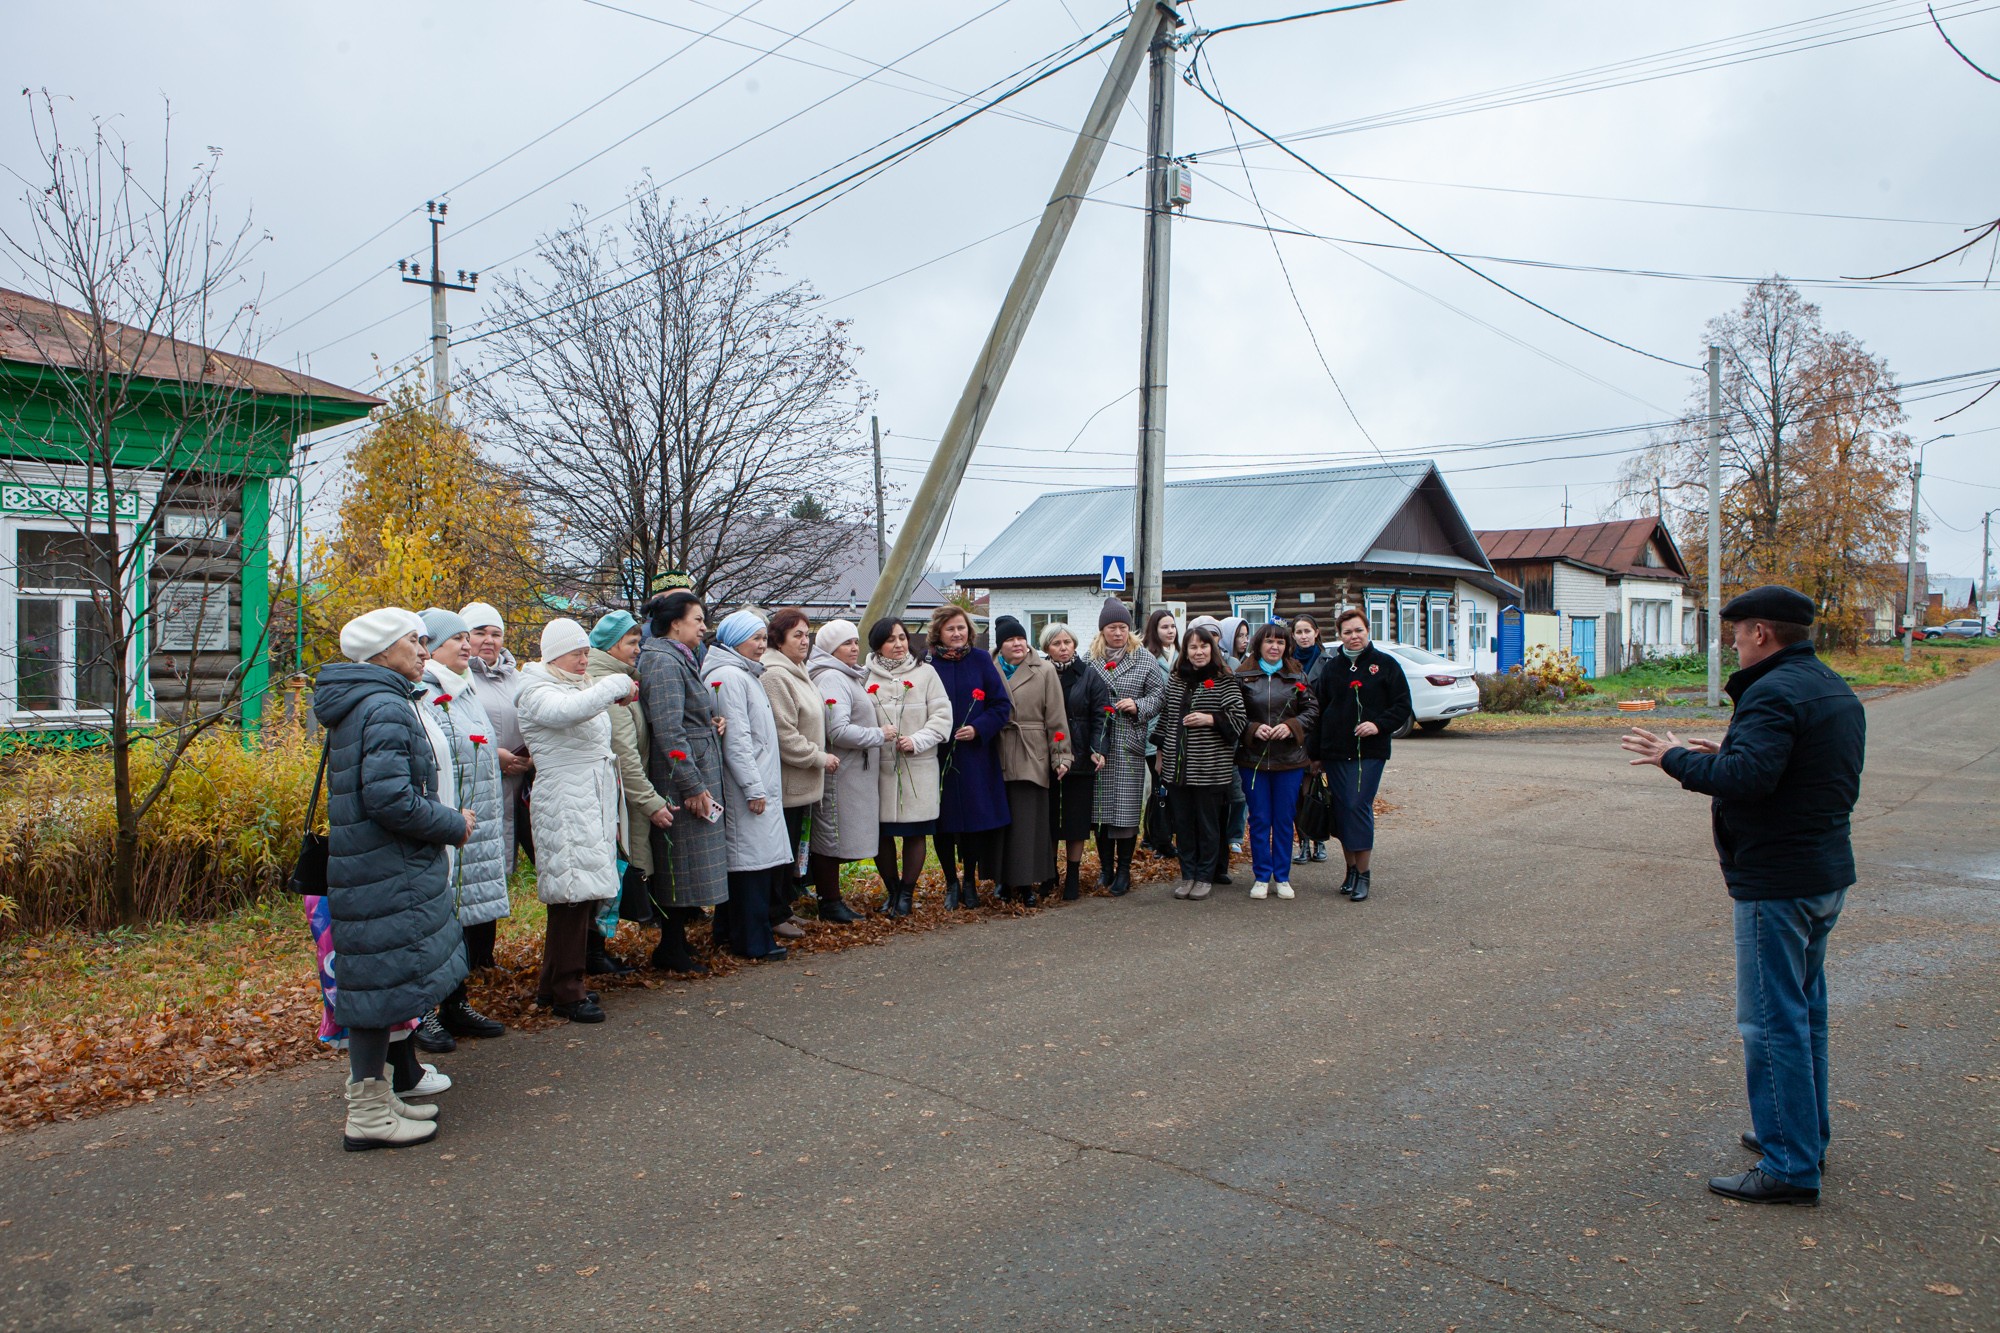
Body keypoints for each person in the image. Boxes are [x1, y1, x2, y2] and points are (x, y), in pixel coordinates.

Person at [1621, 586, 1864, 1207]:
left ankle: (1790, 1166)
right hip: (1822, 874)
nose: (1732, 644)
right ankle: (1802, 1136)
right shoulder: (1829, 686)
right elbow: (1794, 769)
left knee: (1772, 1022)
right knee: (1804, 1013)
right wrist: (1727, 749)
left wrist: (1674, 757)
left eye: (1735, 634)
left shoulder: (1772, 691)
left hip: (1779, 882)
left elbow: (1748, 780)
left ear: (1761, 632)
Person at [314, 608, 473, 1150]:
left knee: (378, 984)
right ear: (382, 651)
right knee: (377, 987)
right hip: (386, 868)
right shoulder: (383, 705)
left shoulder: (365, 700)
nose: (425, 650)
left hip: (372, 866)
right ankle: (367, 1115)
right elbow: (389, 799)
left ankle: (378, 1100)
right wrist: (453, 824)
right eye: (414, 641)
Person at [515, 617, 634, 1023]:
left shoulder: (578, 686)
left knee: (582, 893)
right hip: (564, 799)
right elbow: (568, 712)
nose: (584, 660)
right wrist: (616, 684)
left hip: (589, 797)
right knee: (570, 892)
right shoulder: (536, 690)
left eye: (586, 652)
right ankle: (568, 989)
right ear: (554, 656)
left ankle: (554, 984)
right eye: (576, 653)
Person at [416, 607, 509, 1045]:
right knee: (434, 920)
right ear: (433, 647)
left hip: (474, 823)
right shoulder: (424, 691)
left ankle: (455, 1002)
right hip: (444, 821)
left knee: (459, 918)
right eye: (457, 639)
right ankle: (422, 1012)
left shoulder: (464, 687)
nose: (467, 645)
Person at [637, 590, 728, 974]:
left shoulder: (679, 656)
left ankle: (678, 943)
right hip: (678, 779)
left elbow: (685, 717)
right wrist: (691, 786)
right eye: (698, 620)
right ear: (676, 624)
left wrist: (710, 721)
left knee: (690, 862)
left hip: (692, 769)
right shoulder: (662, 661)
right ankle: (670, 946)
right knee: (680, 861)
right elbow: (669, 729)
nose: (704, 627)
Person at [703, 609, 793, 961]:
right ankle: (753, 940)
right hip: (747, 788)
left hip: (757, 781)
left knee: (753, 863)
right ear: (735, 639)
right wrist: (754, 788)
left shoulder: (743, 673)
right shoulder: (730, 676)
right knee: (750, 866)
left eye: (763, 638)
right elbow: (737, 740)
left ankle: (730, 932)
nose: (761, 645)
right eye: (754, 638)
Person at [1306, 607, 1412, 904]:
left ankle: (1364, 873)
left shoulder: (1385, 665)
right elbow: (1319, 711)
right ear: (1339, 636)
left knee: (1357, 805)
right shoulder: (1332, 667)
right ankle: (1350, 870)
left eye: (1358, 630)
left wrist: (1378, 724)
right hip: (1335, 752)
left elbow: (1402, 705)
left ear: (1368, 631)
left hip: (1370, 751)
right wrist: (1315, 754)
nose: (1354, 636)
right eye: (1347, 632)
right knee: (1342, 809)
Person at [586, 610, 673, 961]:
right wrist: (651, 802)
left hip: (622, 799)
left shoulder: (621, 679)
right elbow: (624, 754)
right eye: (632, 643)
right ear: (611, 646)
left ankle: (597, 951)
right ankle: (593, 952)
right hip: (615, 802)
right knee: (610, 872)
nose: (639, 649)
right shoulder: (608, 686)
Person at [927, 605, 1013, 909]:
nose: (957, 634)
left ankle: (969, 882)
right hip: (938, 755)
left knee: (975, 820)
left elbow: (1001, 705)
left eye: (961, 628)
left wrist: (978, 728)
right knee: (943, 822)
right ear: (938, 632)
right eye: (950, 628)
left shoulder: (980, 660)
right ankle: (951, 882)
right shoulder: (927, 663)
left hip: (975, 755)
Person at [865, 617, 953, 917]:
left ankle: (906, 893)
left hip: (918, 767)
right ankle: (891, 890)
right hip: (878, 769)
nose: (899, 644)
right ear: (877, 644)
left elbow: (942, 717)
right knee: (882, 834)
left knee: (915, 833)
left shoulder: (926, 673)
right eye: (890, 639)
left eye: (902, 637)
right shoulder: (864, 675)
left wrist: (916, 741)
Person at [806, 618, 891, 924]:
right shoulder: (832, 677)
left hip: (853, 771)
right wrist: (879, 735)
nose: (855, 648)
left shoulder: (845, 674)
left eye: (856, 641)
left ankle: (830, 898)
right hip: (841, 773)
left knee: (838, 834)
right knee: (832, 835)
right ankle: (829, 902)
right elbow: (838, 730)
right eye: (846, 643)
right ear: (830, 648)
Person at [759, 606, 834, 940]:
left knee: (791, 850)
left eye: (807, 634)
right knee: (780, 852)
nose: (805, 641)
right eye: (797, 635)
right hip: (789, 781)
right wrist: (818, 757)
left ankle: (784, 907)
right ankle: (774, 913)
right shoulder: (775, 675)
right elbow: (784, 734)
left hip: (803, 782)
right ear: (778, 639)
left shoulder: (798, 669)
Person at [1155, 625, 1245, 901]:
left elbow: (1239, 719)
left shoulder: (1224, 679)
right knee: (1183, 824)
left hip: (1210, 767)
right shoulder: (1177, 679)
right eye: (1192, 647)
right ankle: (1188, 875)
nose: (1198, 652)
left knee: (1207, 825)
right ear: (1185, 651)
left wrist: (1211, 718)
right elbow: (1166, 717)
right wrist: (1160, 754)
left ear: (1212, 648)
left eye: (1203, 646)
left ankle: (1205, 876)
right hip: (1177, 767)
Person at [1234, 622, 1320, 900]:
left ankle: (1282, 876)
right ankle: (1261, 876)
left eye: (1280, 642)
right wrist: (1251, 728)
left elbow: (1312, 710)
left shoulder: (1296, 674)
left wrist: (1292, 726)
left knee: (1284, 819)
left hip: (1289, 760)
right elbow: (1232, 713)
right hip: (1253, 760)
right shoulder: (1243, 675)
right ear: (1259, 644)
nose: (1274, 647)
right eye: (1269, 641)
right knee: (1260, 819)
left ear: (1287, 646)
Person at [991, 615, 1071, 905]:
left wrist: (1061, 756)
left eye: (1021, 638)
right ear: (1000, 645)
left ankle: (1026, 883)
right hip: (996, 750)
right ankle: (1001, 880)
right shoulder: (990, 667)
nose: (1017, 644)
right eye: (1010, 639)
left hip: (1031, 752)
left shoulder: (1044, 669)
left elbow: (1056, 717)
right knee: (1000, 824)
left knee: (1027, 822)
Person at [1089, 598, 1165, 895]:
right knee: (1100, 811)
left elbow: (1159, 695)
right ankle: (1105, 869)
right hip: (1100, 745)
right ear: (1103, 630)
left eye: (1122, 627)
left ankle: (1123, 871)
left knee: (1126, 811)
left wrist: (1138, 705)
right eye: (1112, 628)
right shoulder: (1090, 659)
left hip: (1129, 743)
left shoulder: (1142, 657)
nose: (1118, 633)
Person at [459, 602, 534, 873]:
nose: (489, 640)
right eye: (480, 633)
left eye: (496, 634)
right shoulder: (458, 677)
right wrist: (494, 756)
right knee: (476, 862)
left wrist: (532, 757)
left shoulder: (518, 678)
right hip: (474, 784)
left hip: (516, 783)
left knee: (503, 860)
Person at [1044, 622, 1109, 901]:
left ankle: (1072, 875)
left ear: (1074, 645)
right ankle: (1049, 873)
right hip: (1047, 756)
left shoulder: (1089, 675)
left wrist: (1098, 748)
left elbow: (1100, 715)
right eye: (1056, 643)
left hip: (1081, 755)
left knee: (1076, 820)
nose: (1063, 648)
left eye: (1067, 642)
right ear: (1047, 647)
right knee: (1048, 819)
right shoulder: (1041, 673)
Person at [1289, 615, 1331, 864]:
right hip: (1296, 735)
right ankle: (1304, 841)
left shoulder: (1327, 662)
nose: (1303, 636)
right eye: (1299, 632)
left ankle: (1319, 840)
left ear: (1316, 632)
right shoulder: (1288, 662)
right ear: (1293, 635)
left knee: (1315, 790)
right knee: (1298, 794)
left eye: (1307, 631)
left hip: (1319, 734)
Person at [1139, 607, 1180, 861]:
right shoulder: (1147, 657)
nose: (1170, 631)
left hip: (1178, 732)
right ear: (1154, 630)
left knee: (1169, 786)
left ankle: (1154, 835)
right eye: (1164, 627)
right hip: (1155, 732)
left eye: (1172, 626)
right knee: (1159, 785)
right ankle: (1158, 839)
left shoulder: (1181, 655)